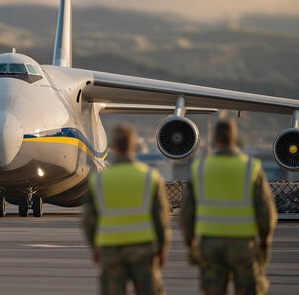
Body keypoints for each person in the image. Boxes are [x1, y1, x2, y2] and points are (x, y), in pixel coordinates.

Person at [180, 119, 277, 295]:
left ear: (215, 138)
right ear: (234, 137)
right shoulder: (250, 167)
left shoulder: (201, 167)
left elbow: (187, 213)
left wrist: (190, 243)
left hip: (210, 245)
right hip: (243, 245)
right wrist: (265, 242)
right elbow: (266, 211)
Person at [83, 123, 171, 295]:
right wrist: (162, 248)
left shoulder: (99, 181)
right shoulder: (150, 178)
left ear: (114, 146)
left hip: (111, 251)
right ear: (133, 145)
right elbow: (161, 218)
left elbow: (89, 220)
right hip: (143, 250)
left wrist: (95, 248)